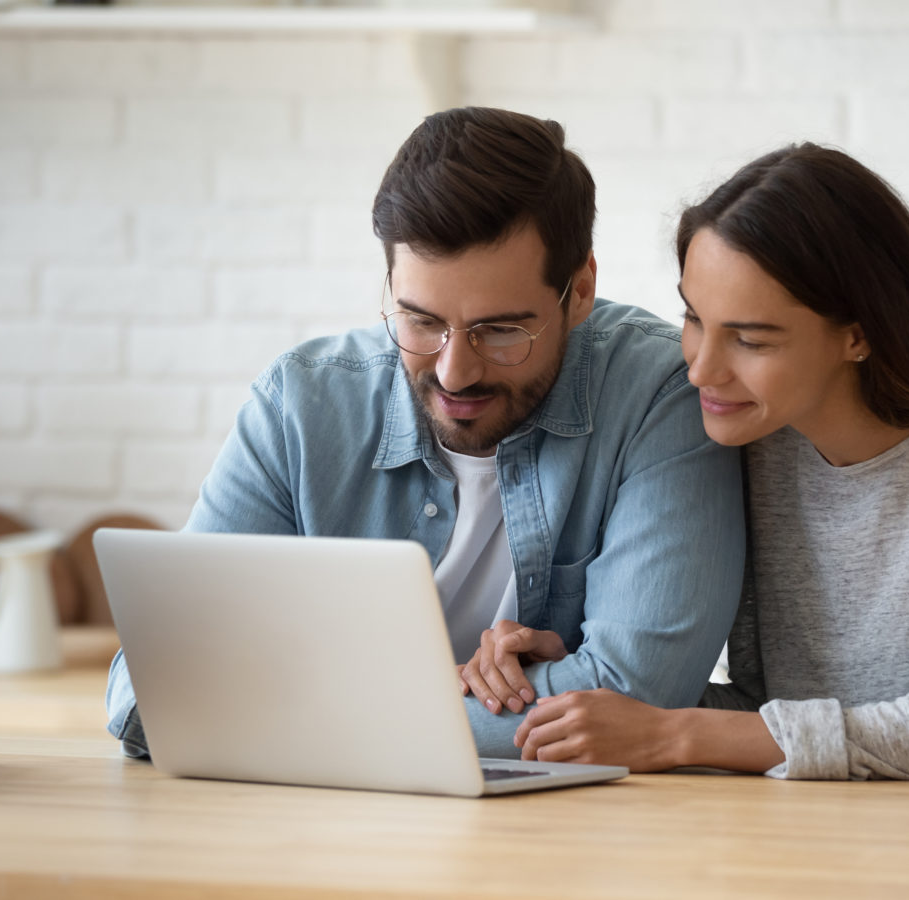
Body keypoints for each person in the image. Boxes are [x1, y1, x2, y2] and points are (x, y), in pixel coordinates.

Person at [105, 107, 745, 759]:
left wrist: (296, 711)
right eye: (419, 321)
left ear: (579, 291)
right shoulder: (300, 404)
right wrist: (437, 699)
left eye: (500, 331)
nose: (455, 371)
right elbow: (150, 691)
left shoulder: (660, 393)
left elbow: (639, 695)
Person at [515, 143, 909, 780]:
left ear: (859, 333)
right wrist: (590, 684)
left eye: (750, 339)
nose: (699, 369)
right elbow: (772, 717)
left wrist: (675, 734)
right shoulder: (761, 434)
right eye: (694, 319)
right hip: (824, 832)